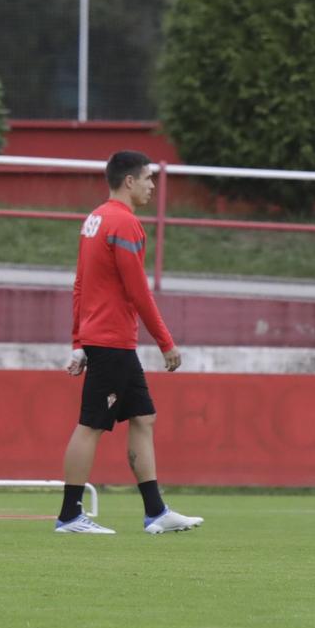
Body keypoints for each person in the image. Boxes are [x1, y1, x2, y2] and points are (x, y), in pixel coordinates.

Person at [55, 150, 202, 536]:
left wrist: (78, 340)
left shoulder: (95, 219)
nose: (153, 186)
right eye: (149, 178)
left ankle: (156, 512)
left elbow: (81, 284)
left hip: (103, 337)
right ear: (129, 181)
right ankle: (69, 516)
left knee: (143, 418)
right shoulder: (125, 224)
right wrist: (166, 342)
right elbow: (138, 291)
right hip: (113, 339)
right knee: (90, 425)